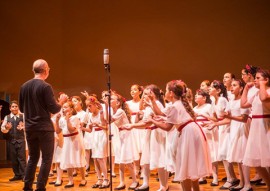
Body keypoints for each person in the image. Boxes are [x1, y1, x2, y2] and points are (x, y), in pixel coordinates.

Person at [147, 80, 211, 191]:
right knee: (191, 166)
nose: (164, 93)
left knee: (184, 167)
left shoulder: (175, 106)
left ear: (171, 93)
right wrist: (153, 101)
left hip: (188, 134)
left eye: (166, 90)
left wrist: (152, 120)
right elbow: (161, 113)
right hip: (192, 131)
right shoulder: (177, 104)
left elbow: (168, 127)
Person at [19, 59, 67, 191]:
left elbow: (22, 109)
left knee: (32, 158)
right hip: (44, 128)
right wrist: (61, 102)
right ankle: (40, 187)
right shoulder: (45, 86)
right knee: (46, 159)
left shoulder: (24, 86)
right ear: (46, 70)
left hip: (29, 128)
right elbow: (54, 109)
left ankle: (27, 186)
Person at [241, 69, 270, 191]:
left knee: (267, 158)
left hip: (266, 126)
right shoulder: (256, 93)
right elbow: (243, 105)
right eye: (256, 78)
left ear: (266, 79)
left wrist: (263, 84)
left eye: (258, 78)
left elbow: (264, 99)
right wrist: (246, 89)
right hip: (256, 127)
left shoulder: (266, 91)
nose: (255, 80)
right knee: (256, 161)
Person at [55, 101, 87, 188]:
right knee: (68, 160)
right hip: (67, 141)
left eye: (66, 107)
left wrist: (67, 119)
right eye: (63, 107)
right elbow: (58, 131)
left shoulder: (75, 118)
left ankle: (83, 178)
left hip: (75, 140)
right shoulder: (62, 119)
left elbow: (71, 129)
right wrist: (57, 121)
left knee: (79, 159)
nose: (63, 108)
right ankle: (70, 180)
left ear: (71, 109)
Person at [1, 100, 26, 181]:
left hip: (21, 140)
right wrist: (7, 128)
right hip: (11, 141)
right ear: (10, 108)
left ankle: (24, 175)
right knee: (14, 159)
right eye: (13, 106)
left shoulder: (23, 116)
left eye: (16, 106)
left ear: (18, 107)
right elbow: (2, 129)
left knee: (22, 159)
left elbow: (28, 126)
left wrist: (23, 127)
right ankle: (17, 175)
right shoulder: (7, 117)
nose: (14, 108)